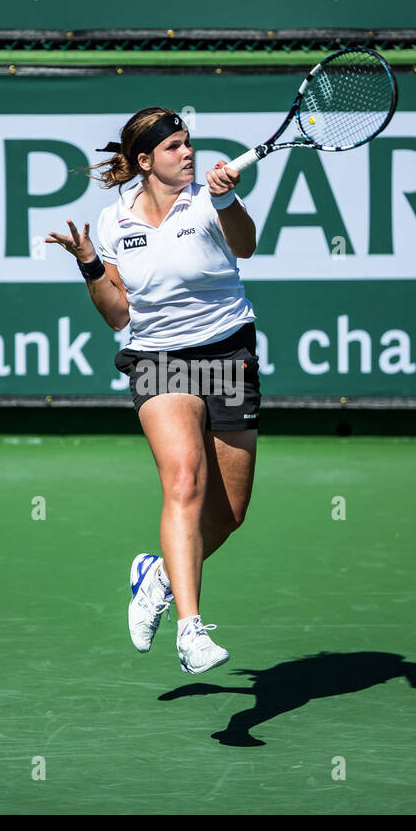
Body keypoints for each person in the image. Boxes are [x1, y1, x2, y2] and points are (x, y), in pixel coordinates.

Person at [45, 107, 260, 674]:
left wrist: (226, 201)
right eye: (174, 148)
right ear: (145, 161)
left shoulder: (206, 201)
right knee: (184, 478)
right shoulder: (114, 221)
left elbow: (247, 247)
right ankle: (191, 631)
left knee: (230, 513)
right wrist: (91, 265)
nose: (187, 154)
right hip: (158, 359)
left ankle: (157, 574)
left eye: (189, 144)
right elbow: (118, 315)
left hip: (227, 354)